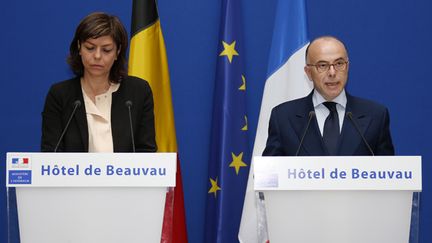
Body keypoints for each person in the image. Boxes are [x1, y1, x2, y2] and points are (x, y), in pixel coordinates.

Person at [41, 12, 156, 152]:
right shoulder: (60, 95)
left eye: (106, 50)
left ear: (117, 52)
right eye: (90, 48)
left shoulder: (138, 92)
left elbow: (146, 152)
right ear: (79, 47)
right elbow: (51, 154)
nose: (97, 56)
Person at [263, 36, 394, 156]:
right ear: (308, 72)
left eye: (339, 64)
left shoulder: (375, 115)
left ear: (347, 67)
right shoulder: (283, 117)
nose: (332, 72)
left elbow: (390, 174)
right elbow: (268, 178)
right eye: (323, 65)